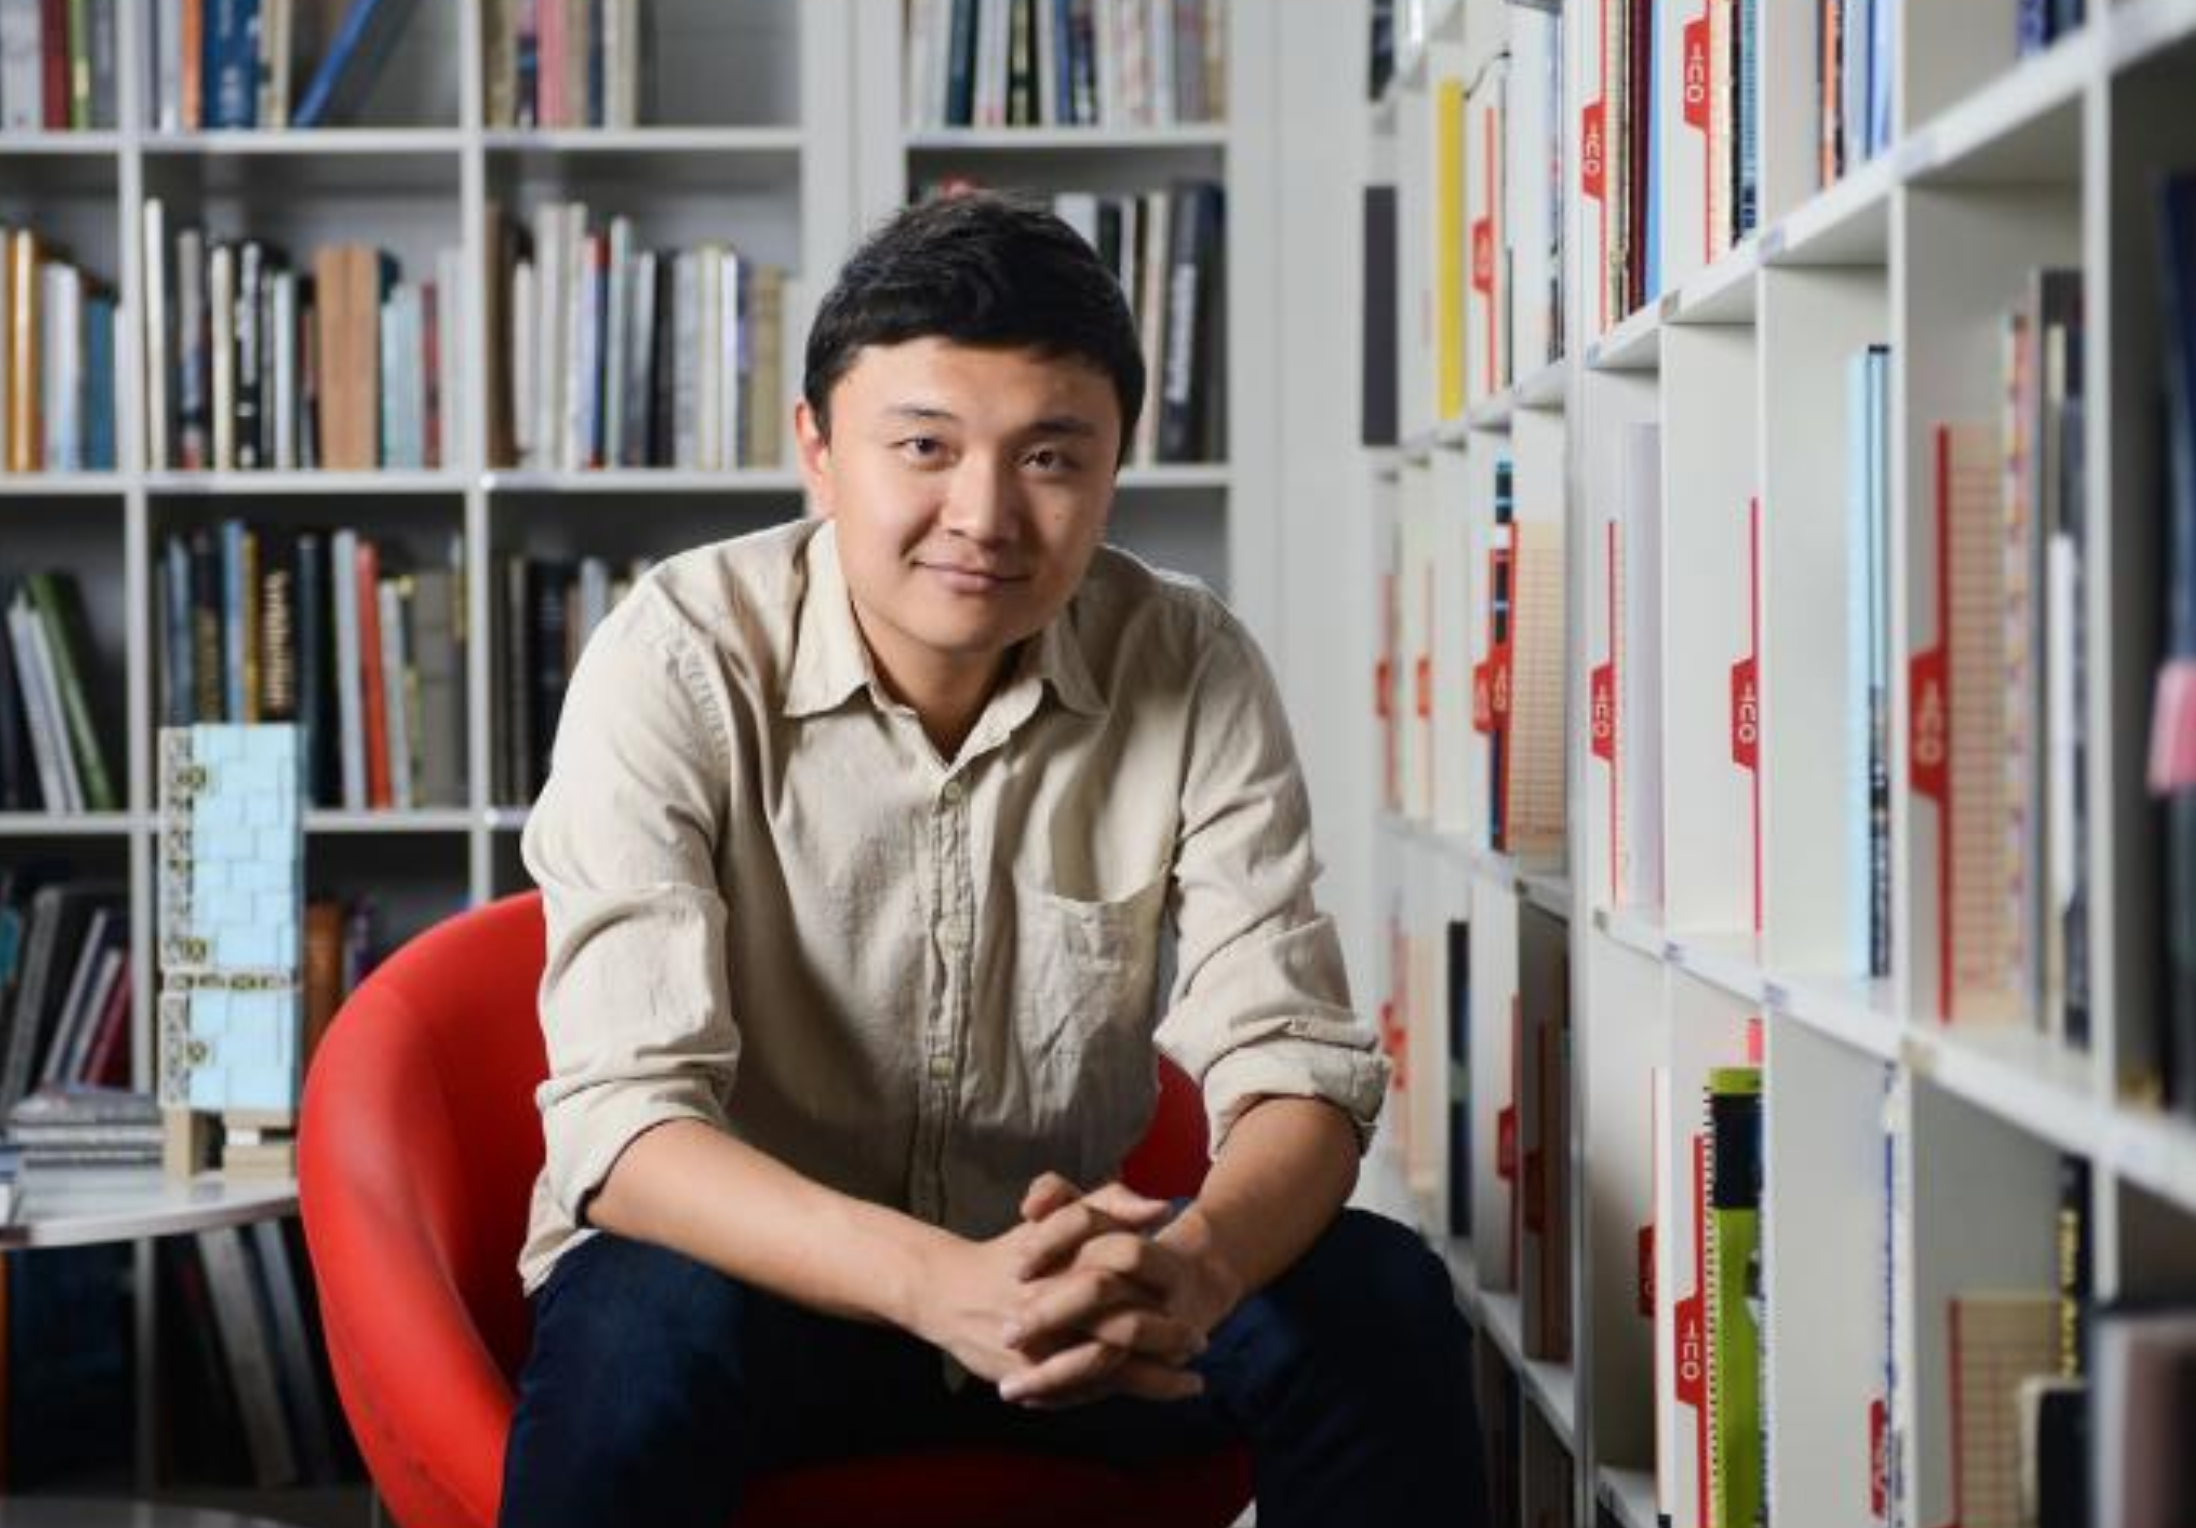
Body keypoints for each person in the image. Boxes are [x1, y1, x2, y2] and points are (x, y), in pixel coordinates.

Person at [498, 190, 1482, 1528]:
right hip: (769, 1301)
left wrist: (1189, 1269)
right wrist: (933, 1285)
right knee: (638, 1312)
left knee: (1377, 1294)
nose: (985, 515)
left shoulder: (1187, 663)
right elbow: (623, 1127)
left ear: (1114, 467)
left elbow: (1299, 1067)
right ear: (818, 448)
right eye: (924, 445)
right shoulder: (672, 656)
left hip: (1078, 1317)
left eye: (1049, 457)